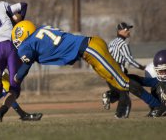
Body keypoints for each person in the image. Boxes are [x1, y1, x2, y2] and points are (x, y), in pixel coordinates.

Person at [11, 20, 166, 118]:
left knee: (123, 83)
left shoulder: (27, 44)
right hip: (90, 49)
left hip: (90, 49)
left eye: (17, 39)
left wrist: (16, 79)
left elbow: (25, 66)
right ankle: (156, 83)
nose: (17, 43)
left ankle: (158, 106)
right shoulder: (40, 32)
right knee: (119, 81)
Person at [101, 22, 147, 118]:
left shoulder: (112, 43)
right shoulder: (123, 44)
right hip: (118, 71)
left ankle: (109, 96)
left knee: (119, 93)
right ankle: (119, 115)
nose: (128, 31)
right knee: (124, 95)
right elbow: (129, 59)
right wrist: (142, 67)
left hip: (108, 71)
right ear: (119, 31)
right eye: (126, 30)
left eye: (128, 29)